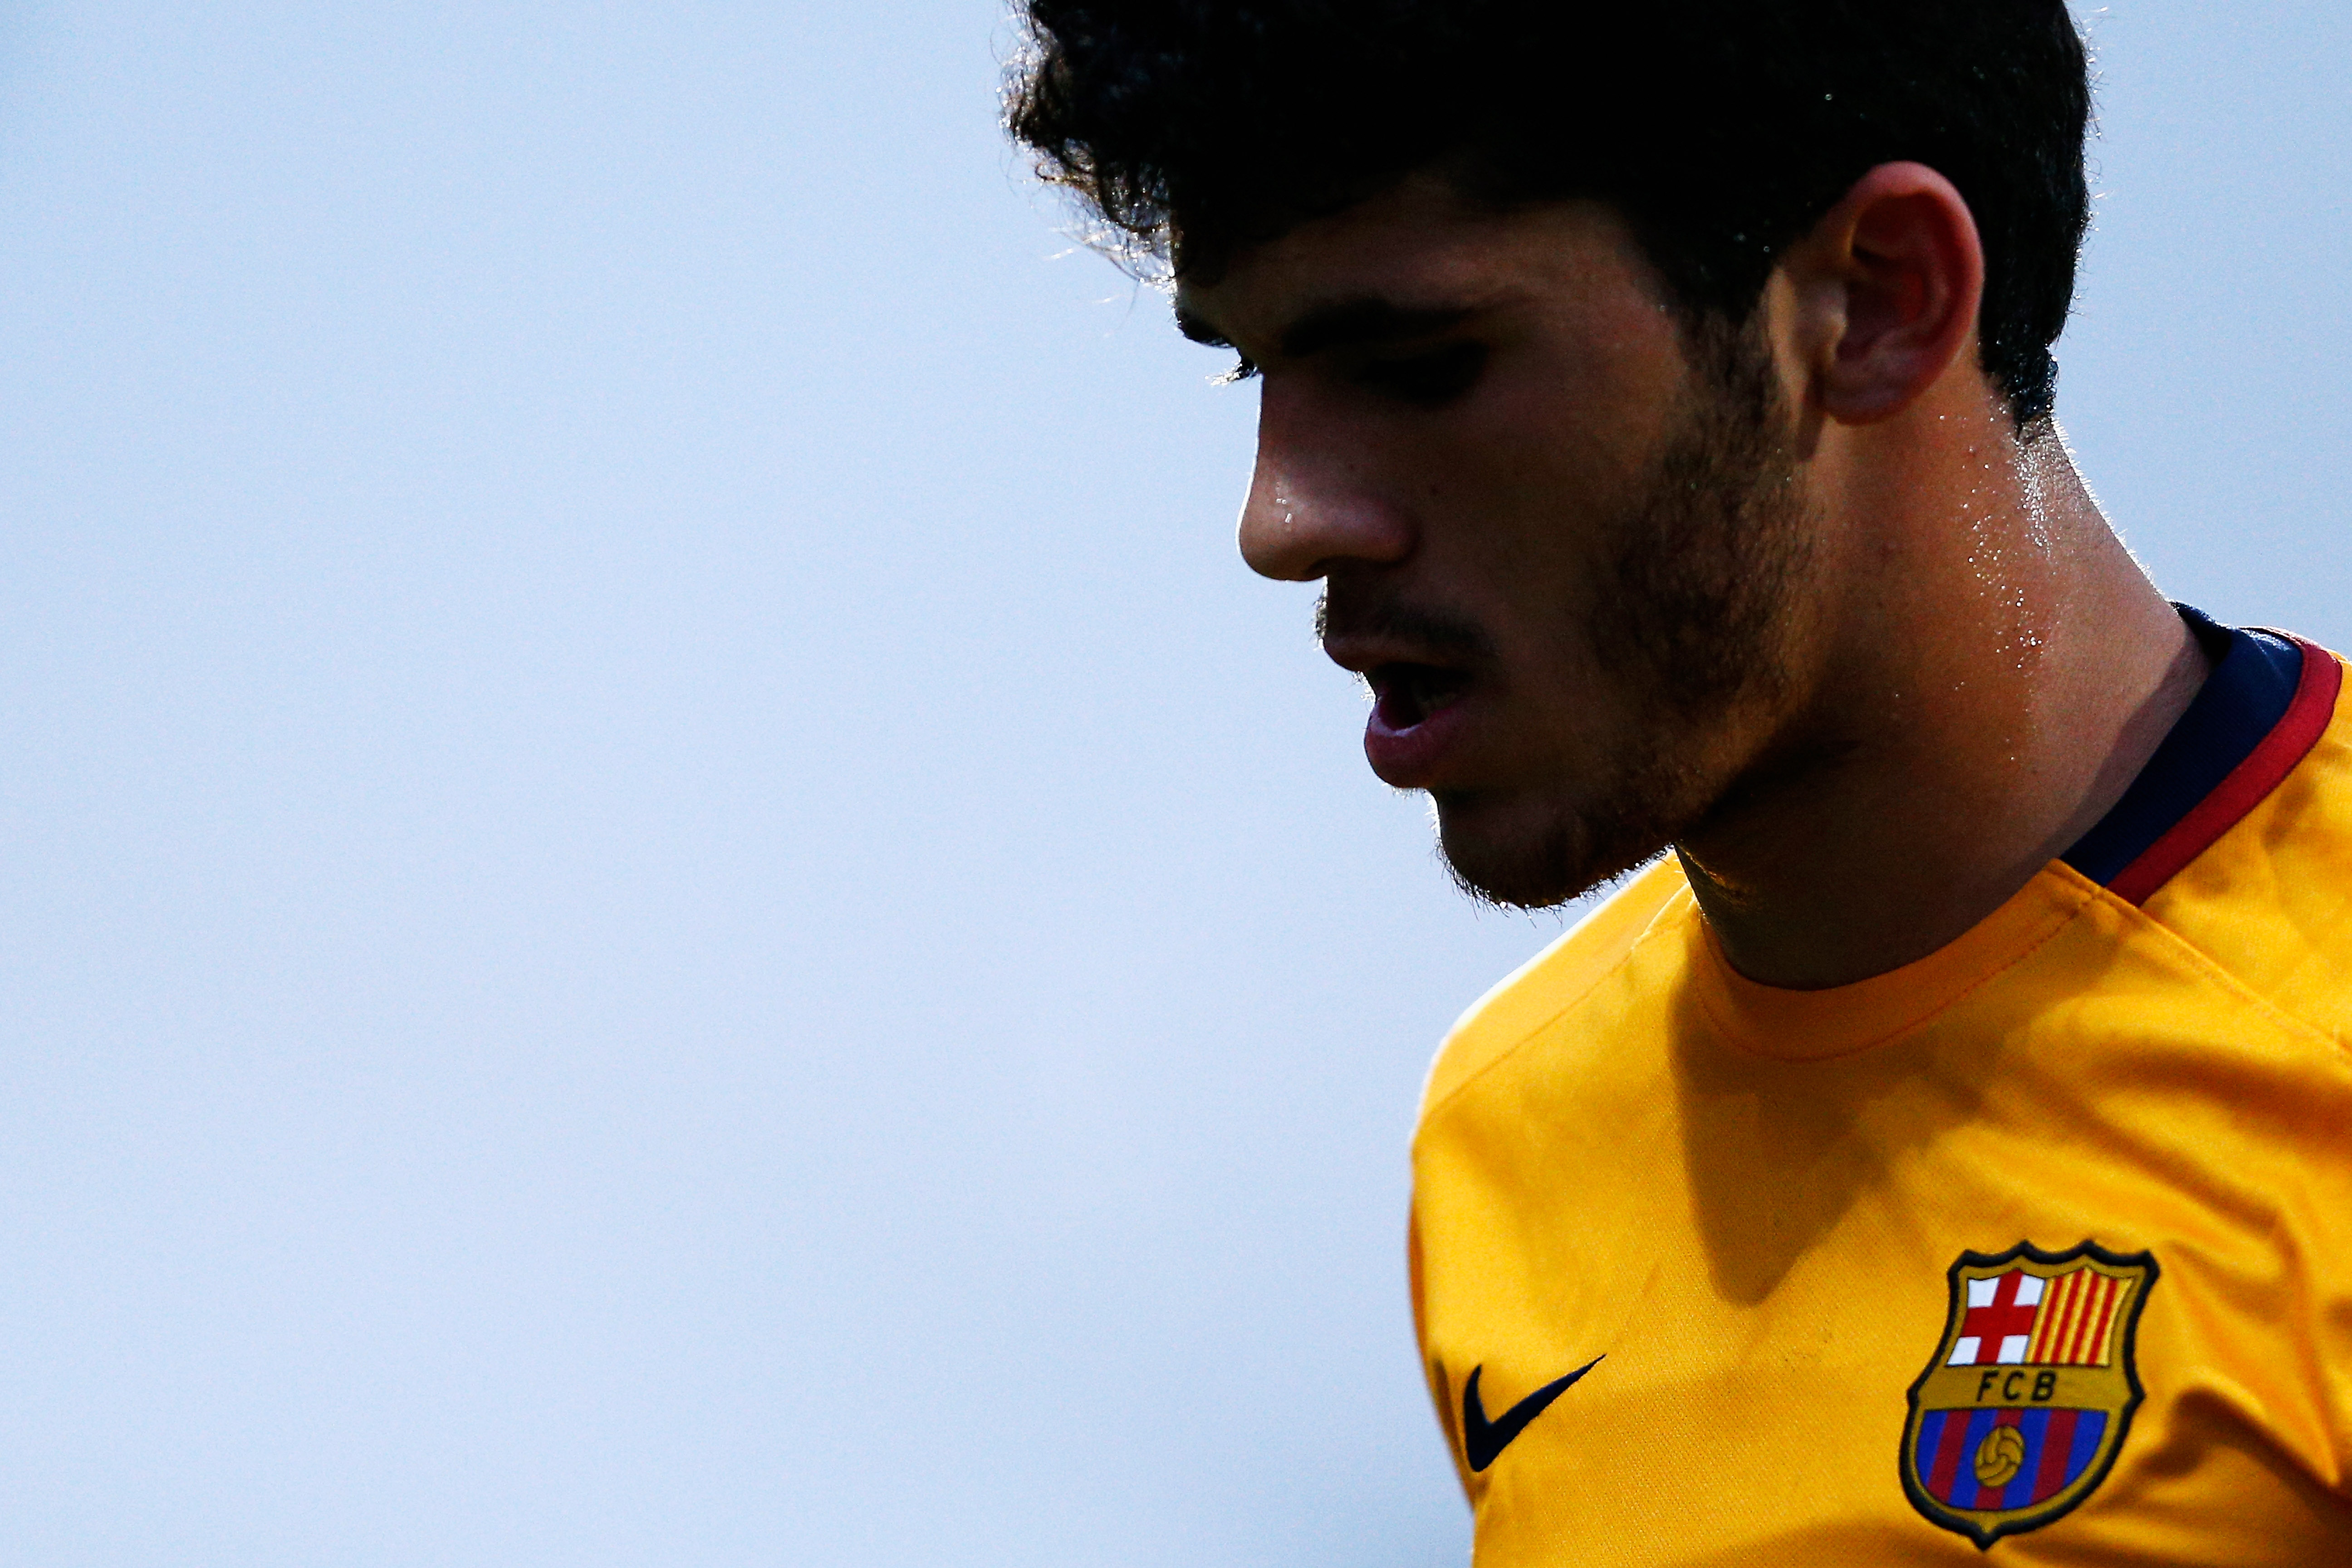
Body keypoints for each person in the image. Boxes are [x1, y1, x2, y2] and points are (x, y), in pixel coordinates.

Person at [1006, 4, 2352, 1561]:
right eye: (1258, 375)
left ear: (1877, 301)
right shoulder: (1501, 1131)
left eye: (1425, 366)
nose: (1282, 519)